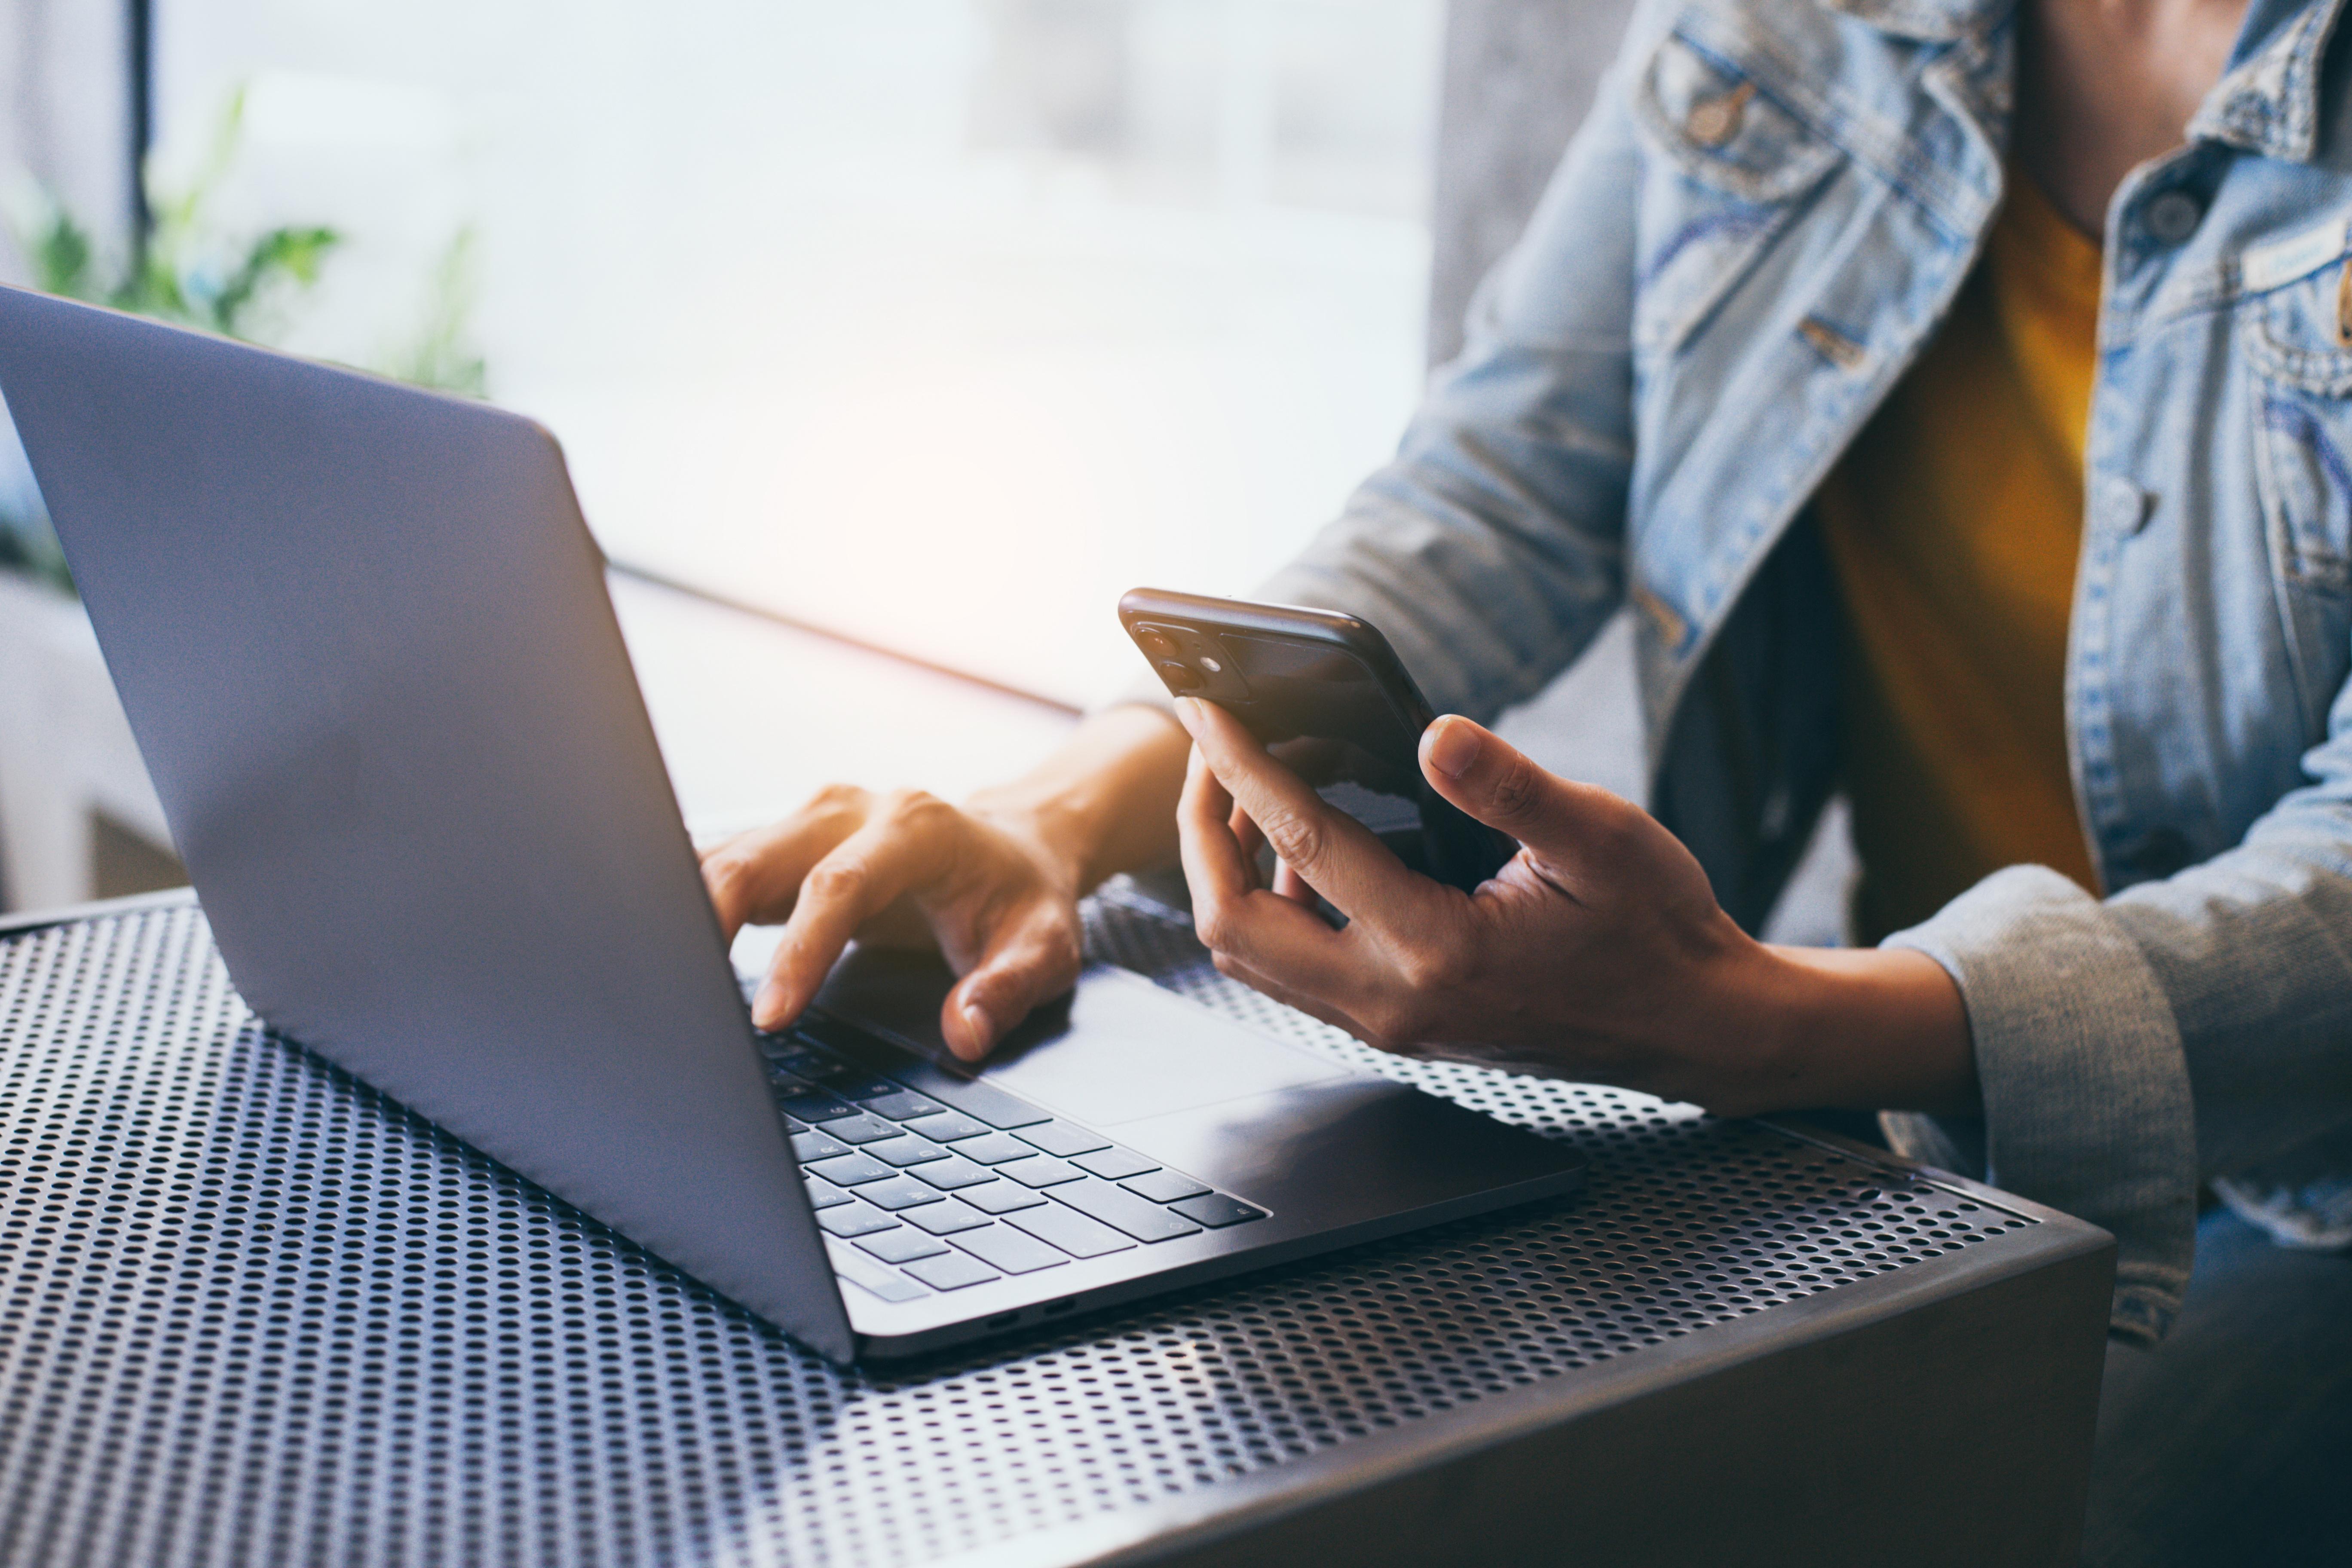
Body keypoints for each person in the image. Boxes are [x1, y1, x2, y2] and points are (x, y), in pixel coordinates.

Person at [701, 0, 2352, 1556]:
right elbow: (1502, 480)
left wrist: (1746, 1023)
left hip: (2300, 1189)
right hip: (1901, 1067)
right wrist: (1061, 809)